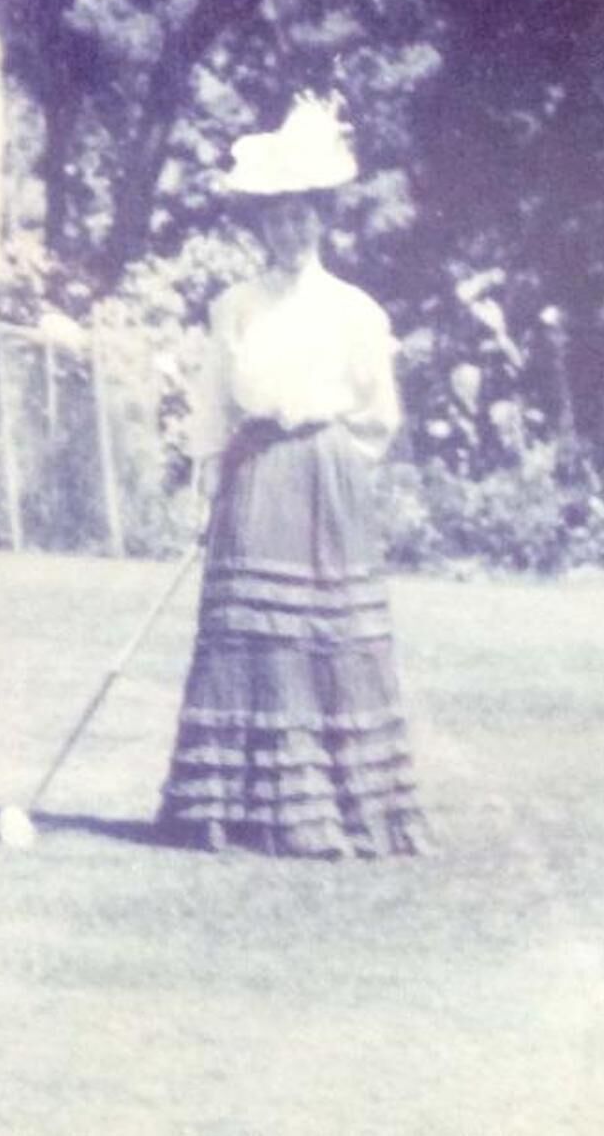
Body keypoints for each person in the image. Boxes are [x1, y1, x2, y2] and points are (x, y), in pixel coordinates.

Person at [158, 95, 432, 859]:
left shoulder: (355, 311)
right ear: (263, 224)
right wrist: (207, 482)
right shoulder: (235, 307)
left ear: (322, 219)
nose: (291, 229)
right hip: (254, 471)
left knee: (327, 633)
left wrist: (331, 458)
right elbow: (213, 403)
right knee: (248, 633)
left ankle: (342, 806)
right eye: (278, 218)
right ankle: (223, 806)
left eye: (303, 215)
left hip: (325, 476)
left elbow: (378, 412)